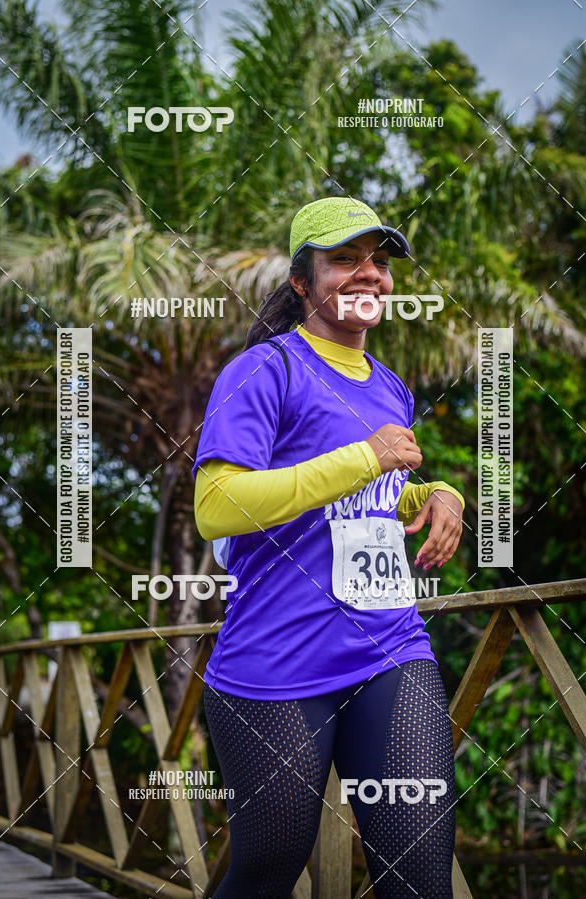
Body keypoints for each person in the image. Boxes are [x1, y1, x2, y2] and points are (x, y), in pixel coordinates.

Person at [191, 196, 464, 898]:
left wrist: (437, 495)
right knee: (265, 872)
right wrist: (362, 458)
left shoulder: (390, 386)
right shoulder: (263, 371)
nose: (368, 273)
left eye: (379, 260)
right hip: (275, 671)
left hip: (390, 651)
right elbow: (216, 506)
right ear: (302, 283)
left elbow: (374, 493)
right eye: (344, 259)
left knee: (421, 878)